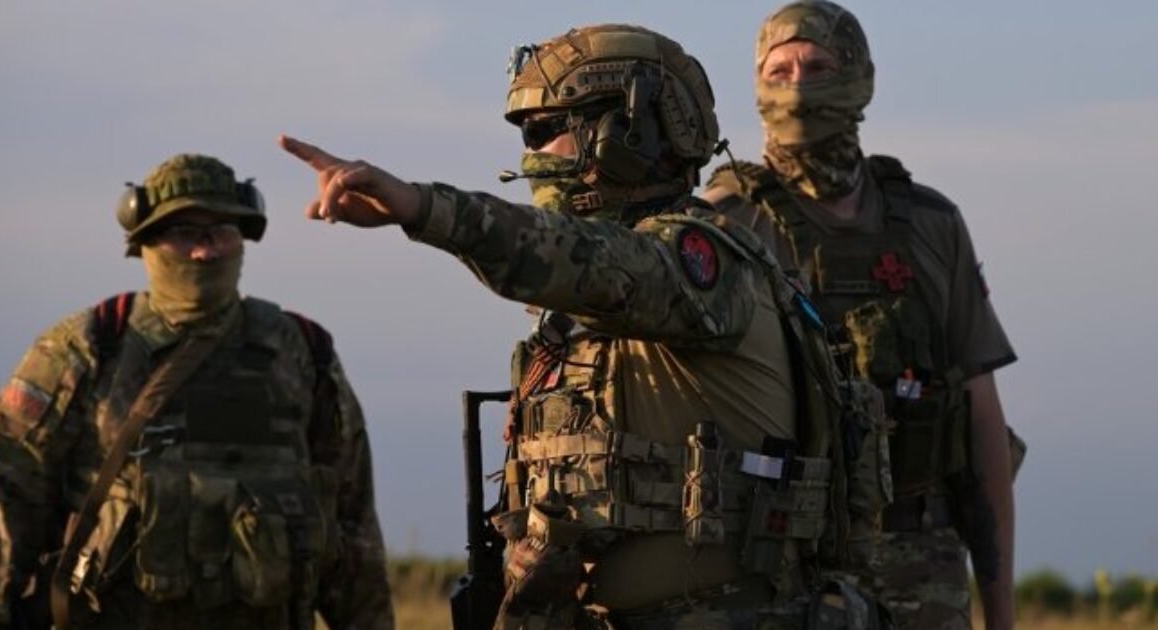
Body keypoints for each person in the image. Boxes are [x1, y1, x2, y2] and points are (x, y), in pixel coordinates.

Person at [281, 23, 886, 630]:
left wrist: (422, 208)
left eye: (545, 130)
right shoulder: (578, 319)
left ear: (631, 131)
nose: (532, 155)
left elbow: (582, 261)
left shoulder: (703, 269)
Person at [0, 154, 393, 629]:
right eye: (185, 233)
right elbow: (0, 530)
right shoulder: (84, 349)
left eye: (220, 231)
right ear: (145, 242)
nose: (205, 252)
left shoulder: (302, 353)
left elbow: (354, 536)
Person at [703, 2, 1021, 628]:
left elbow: (982, 420)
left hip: (922, 564)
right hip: (781, 564)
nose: (797, 87)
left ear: (860, 77)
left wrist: (1002, 613)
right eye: (779, 71)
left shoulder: (930, 224)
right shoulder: (724, 225)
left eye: (818, 67)